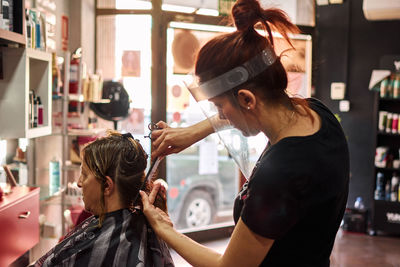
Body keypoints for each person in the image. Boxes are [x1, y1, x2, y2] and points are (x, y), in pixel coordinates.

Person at [140, 0, 350, 266]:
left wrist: (164, 228)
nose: (221, 115)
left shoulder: (280, 175)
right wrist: (193, 132)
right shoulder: (319, 116)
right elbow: (244, 114)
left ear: (247, 99)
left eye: (219, 106)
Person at [30, 131, 174, 267]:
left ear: (107, 185)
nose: (79, 183)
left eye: (85, 175)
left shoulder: (100, 242)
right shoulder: (146, 223)